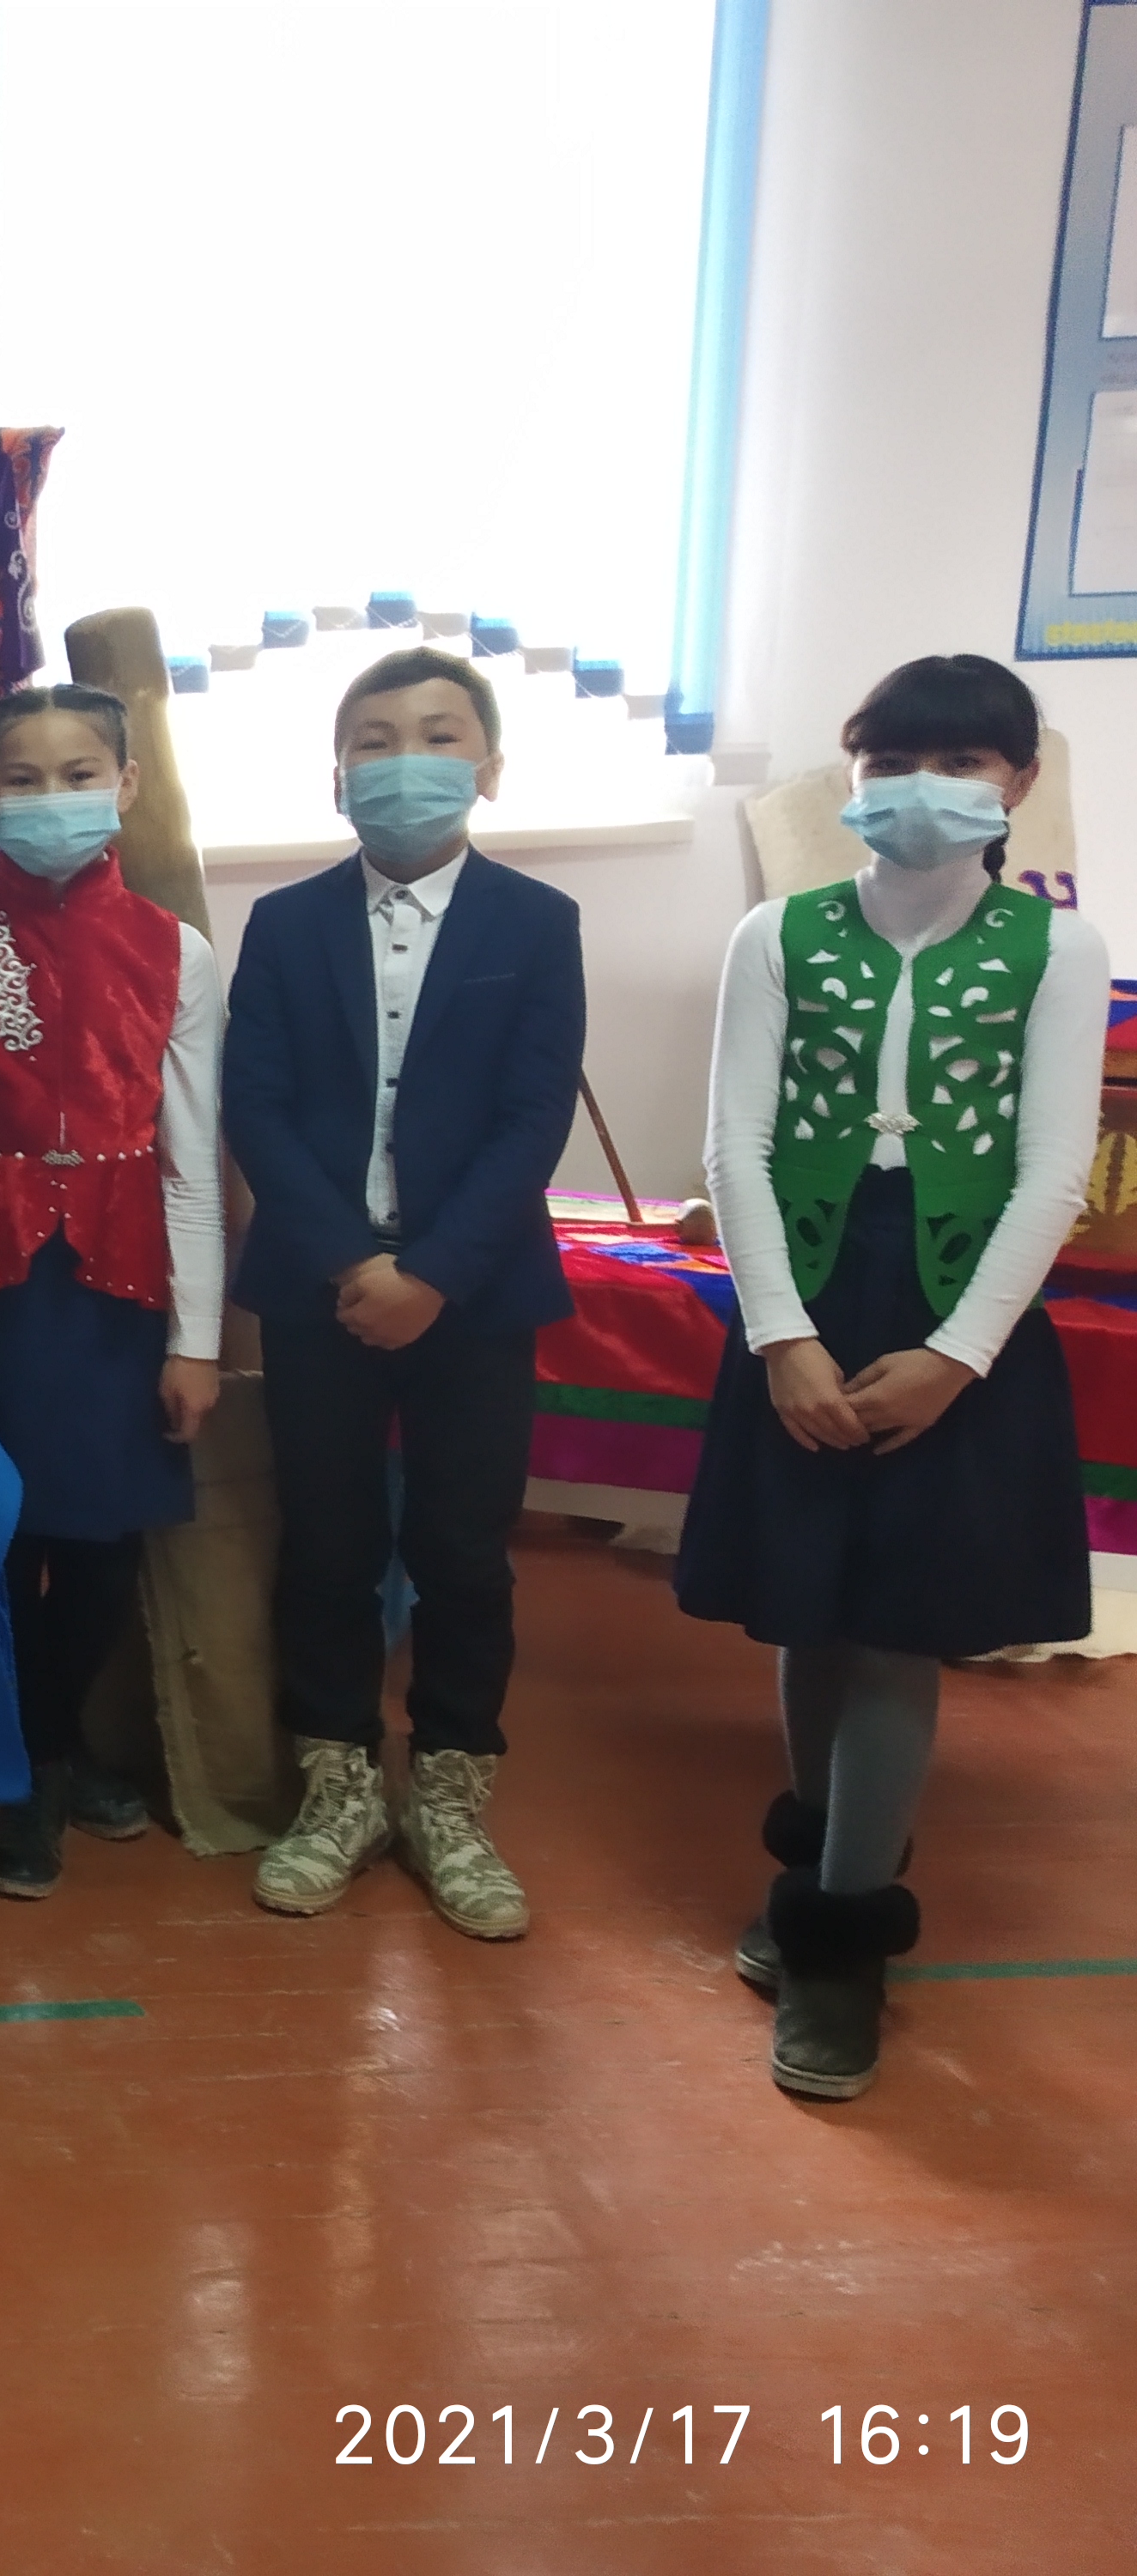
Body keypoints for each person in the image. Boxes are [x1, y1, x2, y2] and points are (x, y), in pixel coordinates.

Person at [677, 656, 1104, 2099]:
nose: (924, 788)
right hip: (804, 1286)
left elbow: (1052, 1176)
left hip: (957, 1306)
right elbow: (734, 1147)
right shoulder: (777, 934)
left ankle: (842, 1939)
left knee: (895, 1626)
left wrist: (957, 1356)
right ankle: (827, 1850)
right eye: (892, 761)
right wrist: (780, 1334)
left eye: (962, 762)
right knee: (812, 1601)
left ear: (1018, 783)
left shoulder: (1057, 951)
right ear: (852, 777)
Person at [220, 647, 585, 1937]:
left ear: (489, 768)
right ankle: (338, 1790)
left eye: (438, 736)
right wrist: (351, 1263)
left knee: (462, 1551)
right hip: (319, 1284)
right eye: (374, 741)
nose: (405, 761)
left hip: (474, 1291)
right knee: (327, 1542)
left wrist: (429, 1273)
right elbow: (256, 1107)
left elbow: (534, 1116)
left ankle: (450, 1793)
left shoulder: (536, 922)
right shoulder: (284, 922)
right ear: (339, 776)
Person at [0, 685, 223, 1897]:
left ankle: (61, 1743)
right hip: (2, 1287)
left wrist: (196, 1339)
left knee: (104, 1541)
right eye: (22, 779)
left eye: (79, 774)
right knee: (13, 1533)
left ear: (125, 784)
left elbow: (193, 1154)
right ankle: (28, 1773)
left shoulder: (178, 953)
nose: (52, 799)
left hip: (126, 1289)